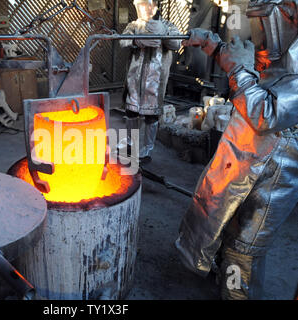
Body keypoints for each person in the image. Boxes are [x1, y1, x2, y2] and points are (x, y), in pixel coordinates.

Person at [176, 0, 298, 300]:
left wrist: (236, 68)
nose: (260, 35)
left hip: (271, 180)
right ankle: (223, 283)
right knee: (227, 229)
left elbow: (266, 114)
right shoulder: (280, 62)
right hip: (250, 164)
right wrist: (214, 46)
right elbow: (257, 79)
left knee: (243, 251)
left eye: (263, 24)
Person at [117, 0, 181, 163]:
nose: (147, 8)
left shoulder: (168, 25)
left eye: (150, 4)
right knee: (132, 112)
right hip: (134, 80)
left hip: (156, 82)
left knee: (151, 116)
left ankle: (146, 150)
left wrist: (163, 33)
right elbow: (122, 40)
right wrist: (137, 40)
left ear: (156, 7)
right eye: (143, 4)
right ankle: (129, 143)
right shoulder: (134, 25)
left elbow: (176, 43)